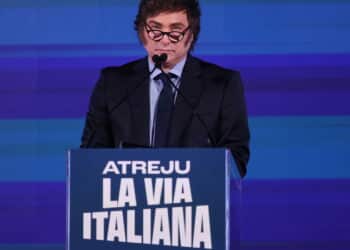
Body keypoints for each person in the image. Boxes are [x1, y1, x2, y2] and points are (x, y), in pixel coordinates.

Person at [81, 0, 250, 177]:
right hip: (127, 199)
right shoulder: (112, 83)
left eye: (175, 31)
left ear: (191, 35)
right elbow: (91, 155)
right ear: (142, 32)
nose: (164, 39)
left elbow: (236, 159)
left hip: (195, 199)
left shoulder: (222, 84)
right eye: (155, 29)